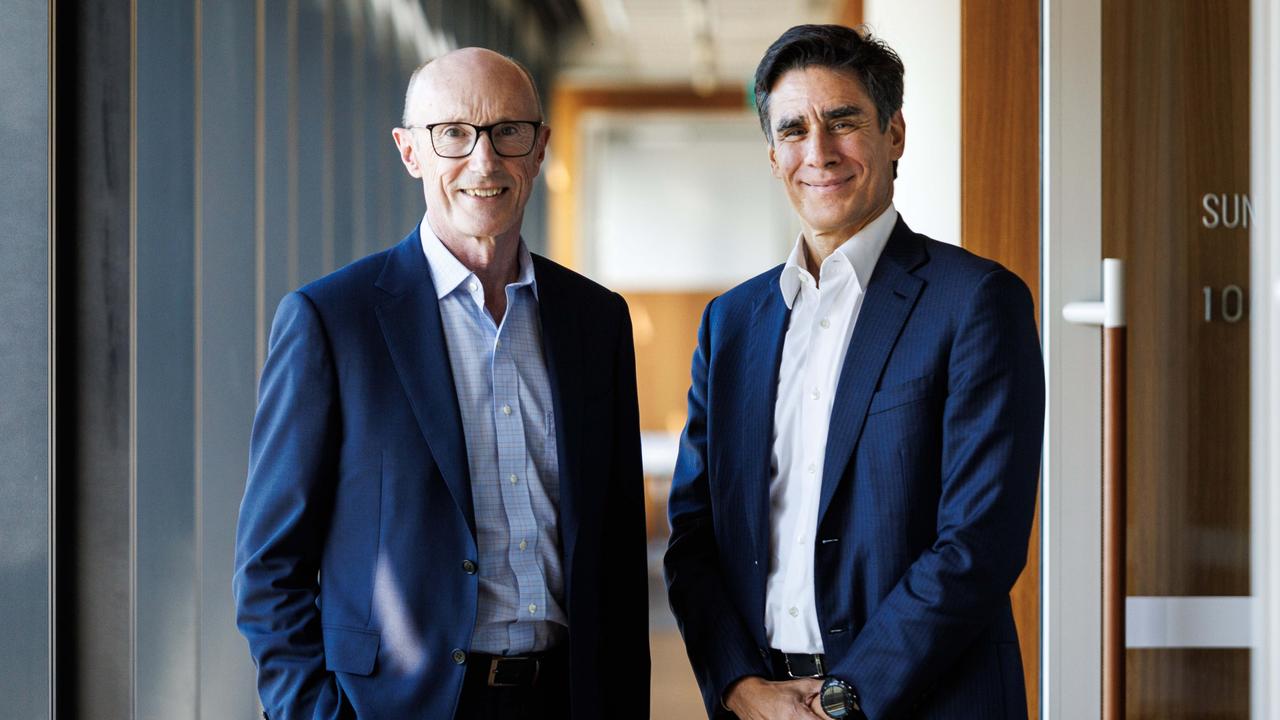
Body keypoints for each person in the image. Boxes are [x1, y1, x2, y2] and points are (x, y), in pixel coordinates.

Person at [234, 47, 650, 720]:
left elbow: (618, 556)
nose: (483, 162)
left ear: (539, 149)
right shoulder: (332, 321)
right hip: (395, 705)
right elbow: (269, 568)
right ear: (410, 152)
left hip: (568, 699)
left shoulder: (596, 320)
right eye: (453, 134)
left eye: (508, 132)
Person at [664, 24, 1044, 720]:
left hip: (929, 702)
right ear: (772, 153)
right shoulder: (731, 323)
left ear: (894, 134)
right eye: (793, 130)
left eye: (844, 122)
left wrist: (843, 701)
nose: (819, 152)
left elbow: (978, 544)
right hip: (762, 704)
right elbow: (694, 536)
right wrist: (740, 688)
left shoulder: (975, 302)